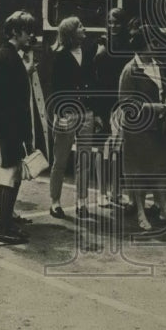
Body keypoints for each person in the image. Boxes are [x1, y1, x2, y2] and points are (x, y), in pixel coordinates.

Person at [118, 24, 166, 231]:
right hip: (138, 130)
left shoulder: (158, 65)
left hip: (158, 128)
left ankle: (165, 210)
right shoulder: (130, 70)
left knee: (160, 170)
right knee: (138, 172)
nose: (157, 46)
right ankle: (140, 213)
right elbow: (126, 103)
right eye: (153, 43)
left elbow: (164, 93)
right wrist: (152, 107)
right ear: (141, 45)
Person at [0, 11, 38, 245]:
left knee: (14, 172)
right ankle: (4, 227)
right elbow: (4, 96)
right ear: (15, 32)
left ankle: (6, 221)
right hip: (10, 125)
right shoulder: (7, 57)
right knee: (10, 173)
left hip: (9, 124)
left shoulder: (7, 55)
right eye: (27, 30)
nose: (31, 35)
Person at [48, 16, 101, 221]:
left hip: (86, 112)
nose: (84, 28)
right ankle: (55, 202)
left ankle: (82, 202)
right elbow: (55, 89)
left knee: (84, 159)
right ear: (71, 33)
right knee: (60, 160)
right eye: (80, 26)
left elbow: (93, 83)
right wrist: (59, 114)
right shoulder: (59, 56)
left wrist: (94, 114)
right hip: (67, 114)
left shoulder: (87, 53)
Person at [94, 8, 133, 210]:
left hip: (121, 100)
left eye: (116, 22)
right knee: (102, 148)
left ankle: (116, 192)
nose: (113, 26)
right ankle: (101, 193)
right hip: (104, 100)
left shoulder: (128, 43)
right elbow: (97, 66)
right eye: (110, 22)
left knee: (118, 150)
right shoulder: (103, 42)